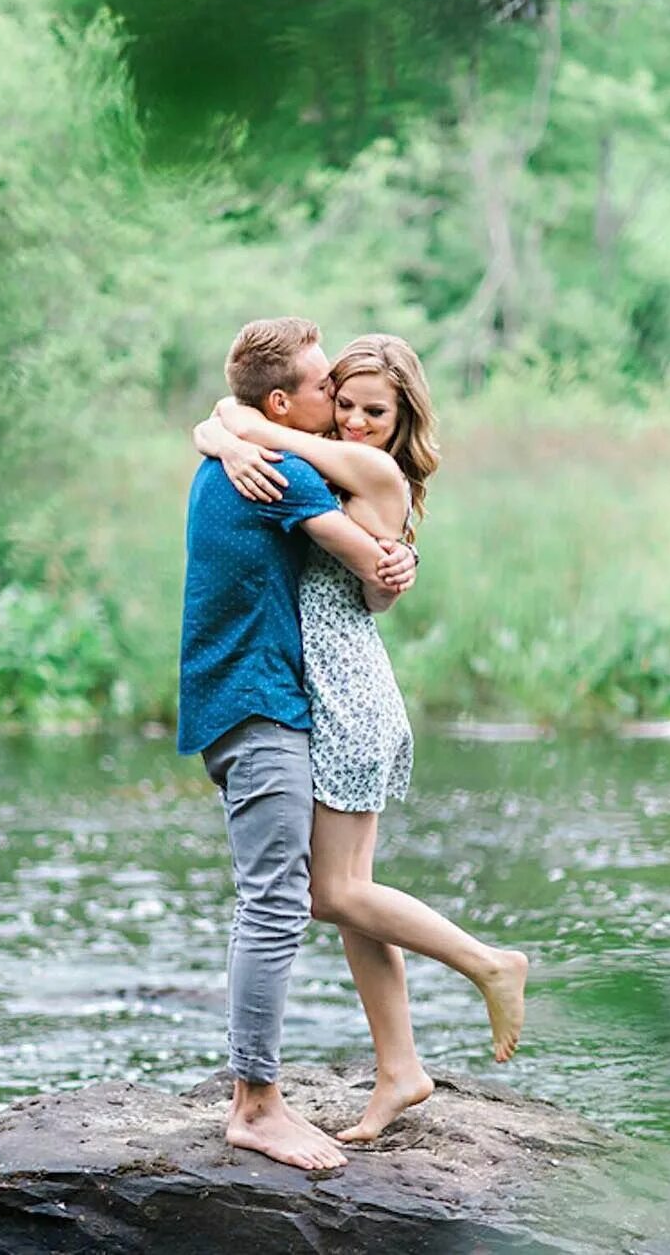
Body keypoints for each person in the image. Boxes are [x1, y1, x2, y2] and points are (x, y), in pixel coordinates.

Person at [195, 333, 528, 1144]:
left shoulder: (374, 472)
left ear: (402, 414)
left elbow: (264, 429)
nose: (353, 420)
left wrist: (228, 431)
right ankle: (400, 1069)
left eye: (374, 410)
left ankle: (488, 962)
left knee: (332, 894)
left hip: (345, 695)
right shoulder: (339, 457)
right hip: (341, 687)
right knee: (354, 902)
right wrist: (216, 429)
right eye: (343, 402)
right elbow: (243, 416)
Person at [177, 317, 418, 1171]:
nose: (340, 408)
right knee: (279, 900)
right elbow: (372, 562)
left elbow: (234, 415)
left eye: (362, 403)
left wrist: (228, 423)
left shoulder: (255, 449)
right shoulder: (277, 468)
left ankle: (399, 1065)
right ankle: (255, 1105)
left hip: (261, 698)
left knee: (301, 893)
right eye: (327, 390)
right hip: (261, 702)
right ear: (283, 401)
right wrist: (392, 560)